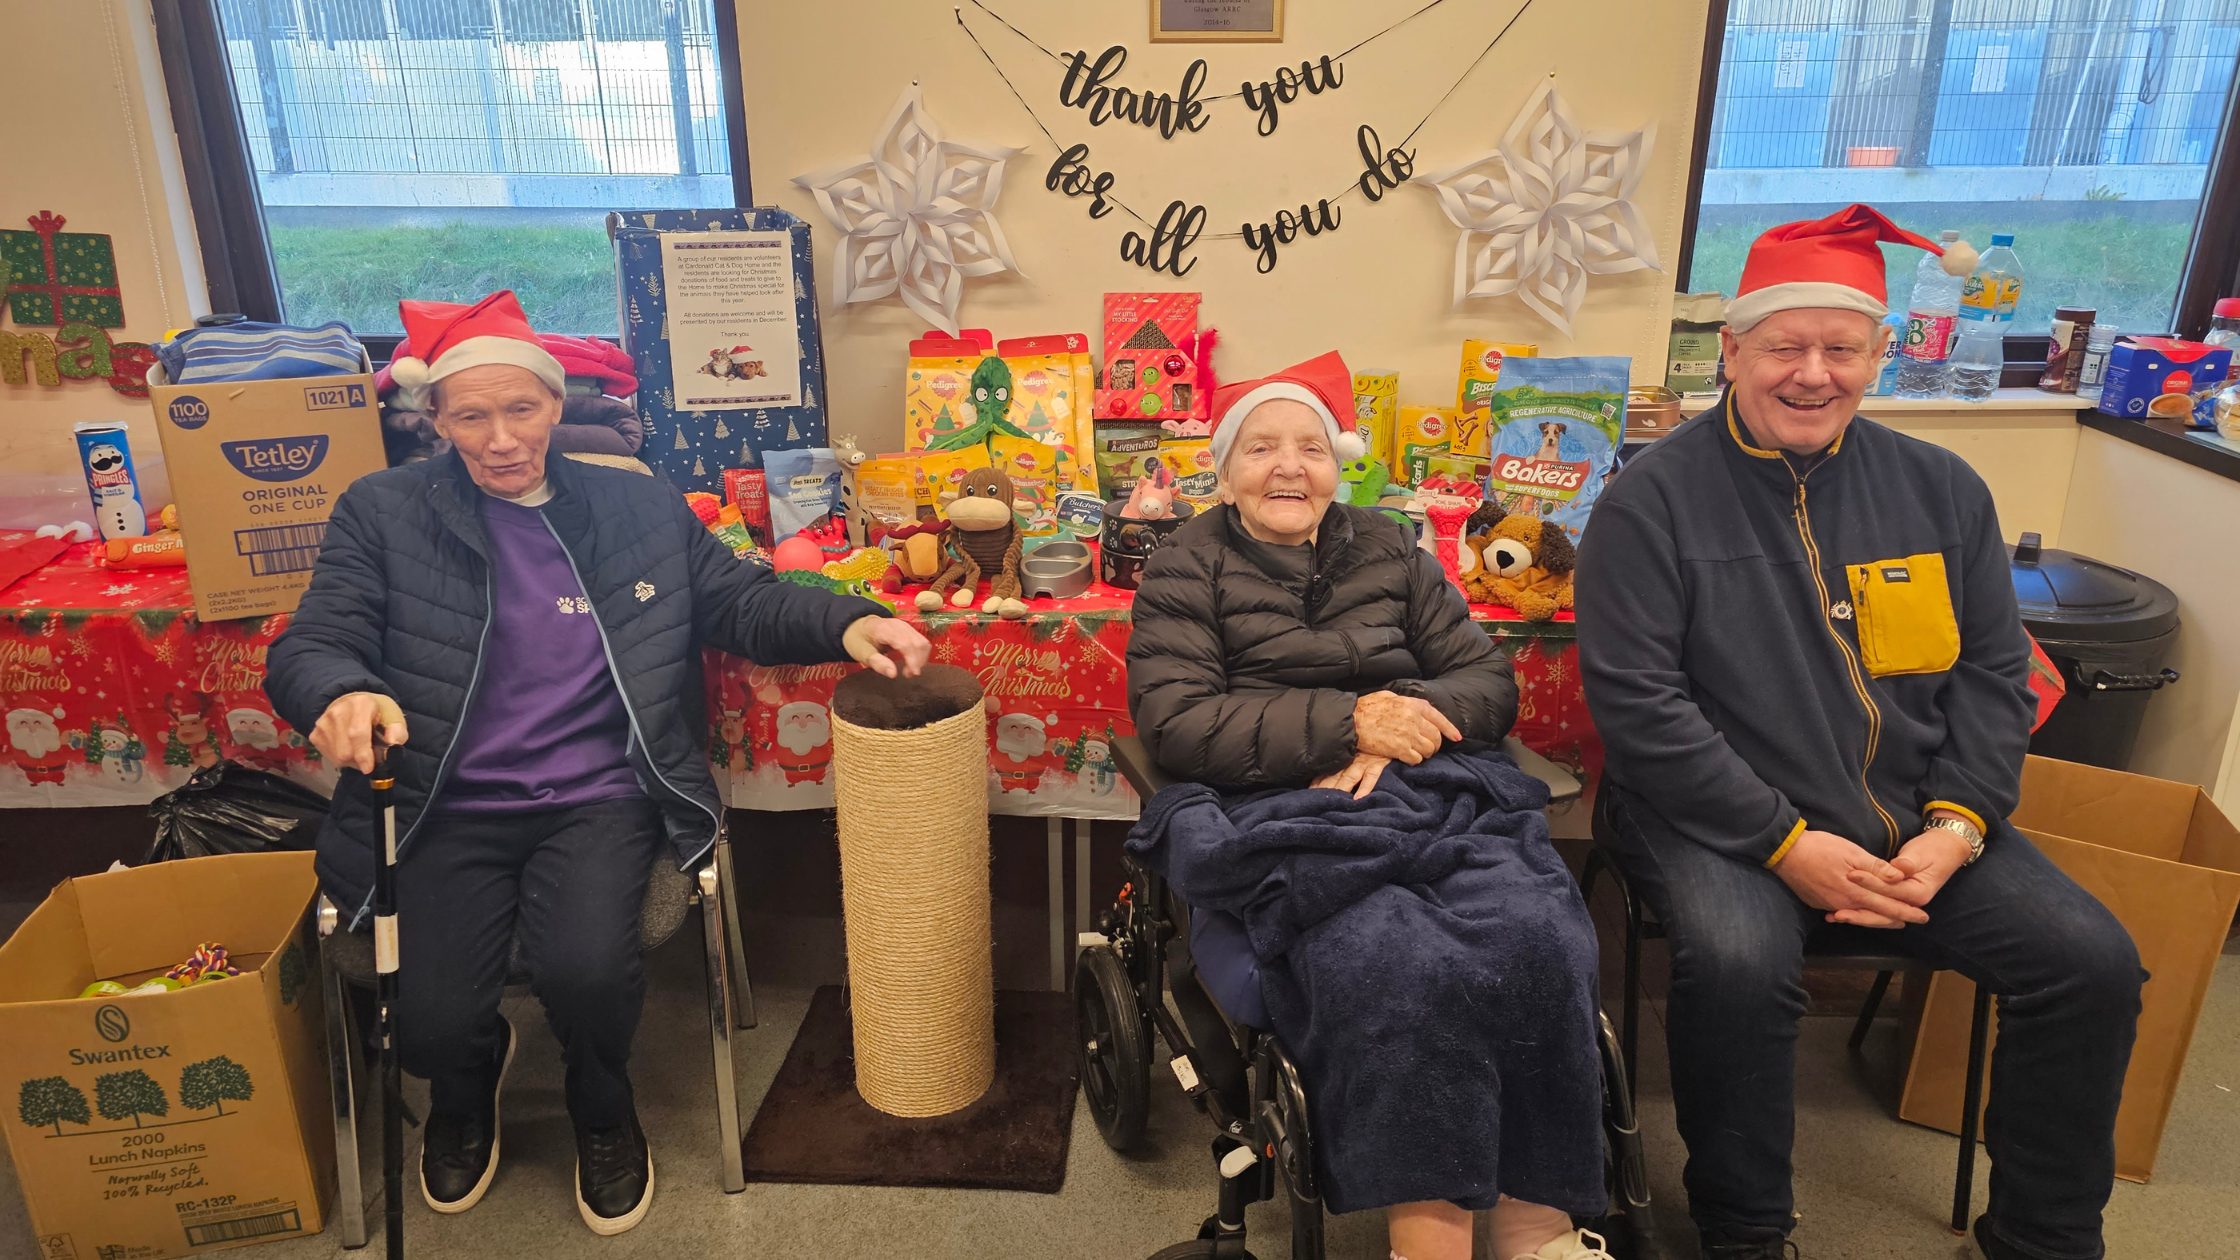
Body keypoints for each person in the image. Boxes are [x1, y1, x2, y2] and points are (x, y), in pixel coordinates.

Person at [264, 291, 929, 1236]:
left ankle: (602, 1104)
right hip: (443, 801)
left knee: (587, 973)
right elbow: (314, 638)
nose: (501, 439)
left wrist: (846, 617)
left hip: (603, 794)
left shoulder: (635, 502)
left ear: (555, 404)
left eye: (521, 410)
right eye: (472, 417)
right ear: (436, 421)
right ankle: (465, 1079)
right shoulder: (383, 511)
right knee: (429, 1019)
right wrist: (337, 693)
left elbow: (738, 601)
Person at [1575, 205, 2143, 1260]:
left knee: (2091, 961)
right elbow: (1640, 711)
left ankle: (2041, 1238)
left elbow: (1992, 674)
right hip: (1712, 820)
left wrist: (1961, 823)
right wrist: (1786, 845)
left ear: (1880, 354)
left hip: (1918, 815)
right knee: (1739, 963)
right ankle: (1744, 1233)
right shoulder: (1646, 504)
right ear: (1730, 351)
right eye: (1783, 346)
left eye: (1840, 348)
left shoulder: (1940, 491)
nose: (1811, 373)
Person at [1126, 352, 1612, 1260]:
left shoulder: (1390, 546)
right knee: (1399, 961)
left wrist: (1406, 725)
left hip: (1426, 789)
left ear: (1337, 464)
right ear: (1225, 469)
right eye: (1262, 447)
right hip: (1280, 804)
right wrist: (1346, 722)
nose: (1288, 466)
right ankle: (1427, 1242)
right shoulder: (1185, 566)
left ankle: (1536, 1229)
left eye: (1310, 447)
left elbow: (1485, 680)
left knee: (1543, 936)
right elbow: (1180, 722)